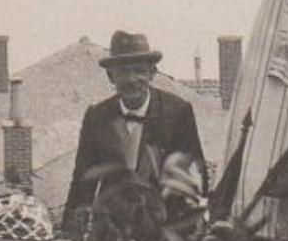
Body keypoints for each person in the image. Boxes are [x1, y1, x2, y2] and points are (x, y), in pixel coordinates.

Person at [66, 31, 207, 227]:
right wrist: (71, 233)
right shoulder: (97, 117)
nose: (132, 79)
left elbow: (195, 176)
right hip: (111, 233)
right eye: (123, 71)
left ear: (152, 73)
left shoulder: (178, 112)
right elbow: (83, 182)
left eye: (139, 70)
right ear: (111, 76)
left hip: (165, 232)